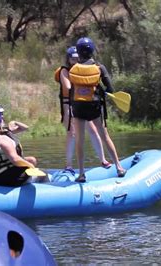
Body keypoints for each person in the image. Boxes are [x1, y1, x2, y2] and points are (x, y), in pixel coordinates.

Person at [69, 37, 126, 182]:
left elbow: (72, 90)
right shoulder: (100, 68)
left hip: (78, 106)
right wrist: (101, 91)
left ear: (79, 52)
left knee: (80, 140)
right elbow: (110, 89)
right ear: (92, 50)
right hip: (94, 106)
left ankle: (81, 174)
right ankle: (119, 167)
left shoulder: (74, 69)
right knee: (104, 136)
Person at [55, 46, 111, 173]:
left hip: (82, 104)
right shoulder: (65, 71)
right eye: (73, 58)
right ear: (68, 59)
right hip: (68, 105)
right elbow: (69, 87)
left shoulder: (84, 69)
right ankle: (68, 165)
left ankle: (103, 160)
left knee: (94, 131)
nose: (75, 60)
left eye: (77, 58)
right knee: (72, 133)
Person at [0, 112, 47, 186]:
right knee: (43, 174)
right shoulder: (2, 140)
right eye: (1, 121)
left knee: (31, 160)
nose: (3, 121)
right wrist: (31, 166)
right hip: (8, 179)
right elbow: (15, 160)